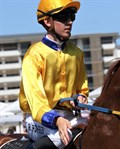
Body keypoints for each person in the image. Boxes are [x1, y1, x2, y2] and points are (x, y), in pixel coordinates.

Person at [19, 0, 89, 148]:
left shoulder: (77, 53)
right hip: (39, 119)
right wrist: (56, 119)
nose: (69, 22)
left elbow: (81, 89)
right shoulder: (34, 55)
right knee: (63, 137)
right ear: (47, 21)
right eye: (64, 16)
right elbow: (36, 102)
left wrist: (81, 98)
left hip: (71, 117)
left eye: (72, 16)